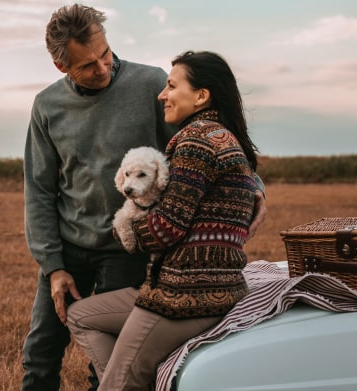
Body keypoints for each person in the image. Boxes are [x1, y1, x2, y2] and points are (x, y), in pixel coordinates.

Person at [21, 4, 266, 390]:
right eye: (87, 66)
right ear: (60, 66)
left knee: (112, 355)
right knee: (41, 350)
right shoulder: (47, 106)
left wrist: (253, 187)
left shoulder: (152, 84)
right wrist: (53, 267)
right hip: (68, 247)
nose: (102, 68)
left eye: (105, 54)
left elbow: (212, 143)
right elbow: (39, 190)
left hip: (127, 248)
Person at [66, 50, 260, 390]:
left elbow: (164, 228)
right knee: (81, 315)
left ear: (201, 96)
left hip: (184, 297)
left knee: (116, 384)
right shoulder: (226, 138)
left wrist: (124, 228)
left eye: (171, 86)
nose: (162, 94)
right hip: (217, 288)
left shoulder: (195, 141)